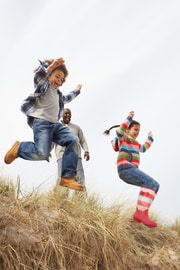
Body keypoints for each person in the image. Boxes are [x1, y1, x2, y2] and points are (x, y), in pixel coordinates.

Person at [4, 58, 84, 191]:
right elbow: (39, 79)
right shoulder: (45, 86)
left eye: (61, 80)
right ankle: (19, 149)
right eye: (57, 76)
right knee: (42, 153)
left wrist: (77, 91)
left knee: (73, 140)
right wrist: (49, 68)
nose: (59, 81)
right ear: (50, 74)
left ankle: (67, 177)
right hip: (41, 123)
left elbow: (67, 98)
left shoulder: (58, 94)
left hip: (55, 125)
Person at [104, 111, 160, 227]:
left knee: (154, 185)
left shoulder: (136, 143)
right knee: (150, 182)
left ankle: (141, 212)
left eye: (138, 131)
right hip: (125, 167)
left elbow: (143, 148)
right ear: (128, 130)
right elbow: (119, 131)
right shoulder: (123, 138)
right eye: (135, 130)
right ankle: (140, 212)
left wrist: (150, 139)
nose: (137, 133)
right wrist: (129, 118)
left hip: (130, 171)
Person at [55, 108, 90, 196]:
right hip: (62, 156)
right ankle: (61, 201)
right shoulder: (56, 127)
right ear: (61, 115)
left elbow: (83, 140)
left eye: (70, 114)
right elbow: (51, 141)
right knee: (63, 179)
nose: (68, 115)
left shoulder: (76, 128)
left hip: (75, 156)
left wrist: (86, 151)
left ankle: (81, 201)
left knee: (80, 178)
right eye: (66, 113)